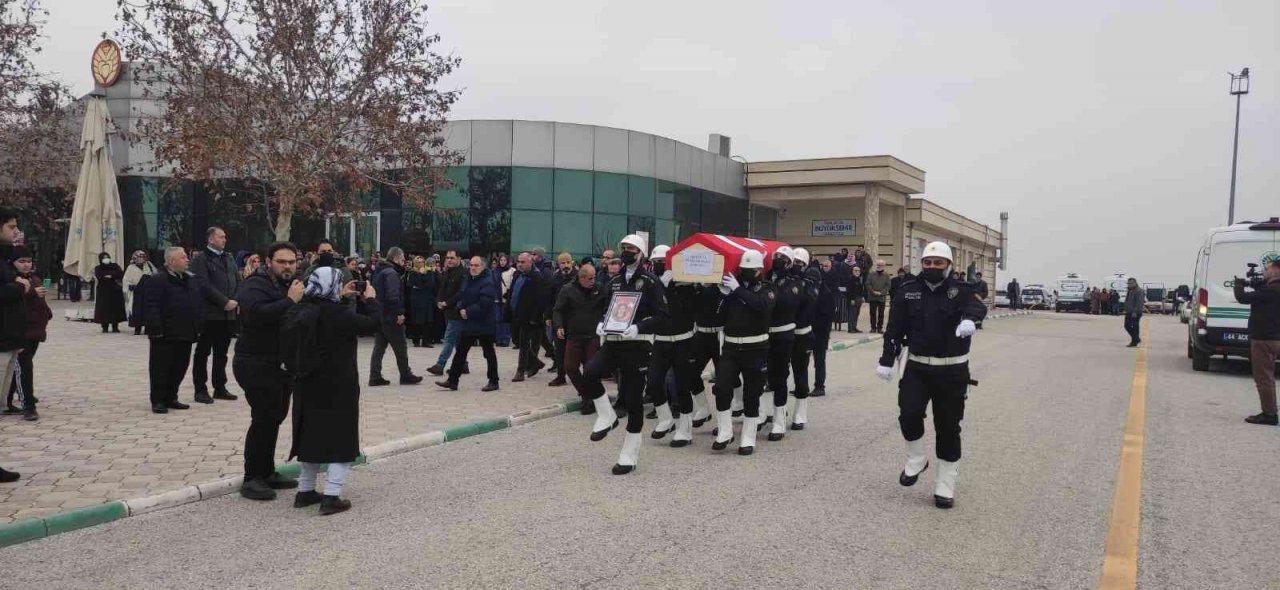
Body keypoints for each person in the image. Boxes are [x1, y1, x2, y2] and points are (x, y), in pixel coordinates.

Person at [876, 241, 986, 509]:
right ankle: (916, 459)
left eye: (938, 263)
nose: (932, 267)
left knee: (948, 427)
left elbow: (977, 307)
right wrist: (886, 360)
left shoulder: (962, 291)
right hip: (917, 367)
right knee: (909, 413)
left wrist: (971, 320)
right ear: (922, 264)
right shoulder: (908, 290)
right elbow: (894, 328)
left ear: (949, 265)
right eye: (928, 262)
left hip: (952, 370)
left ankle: (945, 484)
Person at [289, 267, 380, 515]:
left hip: (306, 383)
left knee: (311, 434)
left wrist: (341, 295)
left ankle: (305, 491)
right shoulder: (340, 314)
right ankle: (331, 495)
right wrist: (369, 299)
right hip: (338, 385)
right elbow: (374, 324)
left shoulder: (302, 309)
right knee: (342, 437)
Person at [581, 234, 668, 475]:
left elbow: (662, 316)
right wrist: (601, 323)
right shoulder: (614, 281)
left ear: (640, 253)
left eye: (631, 248)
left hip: (637, 346)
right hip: (613, 343)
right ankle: (607, 416)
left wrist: (639, 327)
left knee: (632, 400)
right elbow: (607, 309)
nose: (626, 251)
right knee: (589, 373)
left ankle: (629, 454)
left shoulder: (650, 282)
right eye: (624, 248)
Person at [234, 242, 305, 500]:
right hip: (254, 362)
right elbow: (256, 315)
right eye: (282, 262)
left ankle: (267, 471)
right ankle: (251, 477)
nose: (288, 266)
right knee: (263, 417)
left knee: (275, 417)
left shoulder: (290, 286)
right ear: (268, 262)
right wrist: (289, 301)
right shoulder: (255, 285)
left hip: (280, 364)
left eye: (291, 262)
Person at [710, 249, 775, 455]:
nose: (745, 272)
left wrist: (737, 290)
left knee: (751, 393)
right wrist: (721, 295)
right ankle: (725, 431)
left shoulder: (767, 288)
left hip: (755, 347)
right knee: (721, 388)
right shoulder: (732, 288)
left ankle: (748, 436)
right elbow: (716, 316)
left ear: (758, 270)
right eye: (742, 269)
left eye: (749, 269)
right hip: (730, 347)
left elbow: (762, 307)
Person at [643, 245, 699, 446]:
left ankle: (685, 430)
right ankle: (665, 419)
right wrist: (659, 286)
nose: (659, 266)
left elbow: (690, 309)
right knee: (654, 383)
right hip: (661, 341)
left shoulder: (685, 285)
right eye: (656, 262)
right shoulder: (652, 285)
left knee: (682, 387)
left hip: (683, 341)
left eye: (662, 263)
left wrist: (673, 286)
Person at [146, 247, 205, 414]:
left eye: (186, 257)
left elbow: (197, 303)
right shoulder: (158, 280)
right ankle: (158, 400)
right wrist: (155, 329)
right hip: (164, 334)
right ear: (171, 262)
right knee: (161, 368)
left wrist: (198, 326)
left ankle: (172, 396)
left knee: (180, 366)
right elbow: (151, 306)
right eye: (183, 257)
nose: (187, 260)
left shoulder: (190, 280)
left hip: (185, 331)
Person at [190, 227, 241, 403]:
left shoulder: (229, 258)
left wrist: (235, 299)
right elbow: (203, 285)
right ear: (211, 239)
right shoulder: (201, 260)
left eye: (225, 237)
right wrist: (224, 301)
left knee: (222, 353)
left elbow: (237, 280)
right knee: (203, 353)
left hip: (227, 315)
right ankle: (200, 389)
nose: (224, 239)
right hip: (209, 314)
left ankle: (220, 387)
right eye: (221, 237)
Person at [435, 256, 501, 392]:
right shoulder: (467, 279)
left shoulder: (487, 281)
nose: (473, 268)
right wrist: (459, 308)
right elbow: (461, 296)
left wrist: (468, 311)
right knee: (461, 352)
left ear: (483, 266)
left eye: (476, 265)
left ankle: (494, 381)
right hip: (469, 323)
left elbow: (486, 302)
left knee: (488, 353)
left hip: (484, 324)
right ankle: (452, 380)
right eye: (471, 265)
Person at [4, 247, 51, 421]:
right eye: (21, 261)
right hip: (20, 330)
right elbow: (9, 299)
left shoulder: (35, 278)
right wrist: (31, 293)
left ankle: (7, 400)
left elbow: (40, 303)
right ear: (13, 263)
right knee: (23, 368)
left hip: (36, 330)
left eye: (28, 261)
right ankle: (28, 405)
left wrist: (47, 313)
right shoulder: (11, 281)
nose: (26, 265)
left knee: (20, 367)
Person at [0, 207, 29, 482]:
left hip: (8, 340)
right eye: (11, 226)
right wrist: (19, 286)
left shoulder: (6, 259)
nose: (15, 231)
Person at [554, 264, 606, 414]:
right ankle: (586, 394)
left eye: (594, 277)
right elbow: (558, 310)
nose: (593, 281)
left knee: (591, 369)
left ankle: (590, 400)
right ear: (581, 278)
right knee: (570, 366)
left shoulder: (599, 288)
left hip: (593, 335)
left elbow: (607, 306)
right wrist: (559, 326)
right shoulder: (567, 289)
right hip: (574, 335)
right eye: (590, 278)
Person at [1233, 259, 1280, 425]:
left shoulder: (1271, 290)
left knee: (1264, 378)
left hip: (1264, 339)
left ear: (1276, 270)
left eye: (1267, 269)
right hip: (1273, 337)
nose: (1264, 272)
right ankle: (1270, 411)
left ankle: (1269, 414)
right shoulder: (1272, 289)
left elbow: (1243, 297)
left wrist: (1238, 284)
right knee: (1268, 377)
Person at [779, 247, 819, 438]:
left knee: (800, 373)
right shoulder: (786, 281)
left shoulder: (808, 285)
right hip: (784, 333)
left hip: (802, 335)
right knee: (779, 373)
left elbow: (808, 308)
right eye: (793, 262)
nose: (795, 266)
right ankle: (778, 409)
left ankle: (800, 414)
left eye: (799, 264)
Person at [368, 247, 423, 386]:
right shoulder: (391, 273)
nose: (404, 262)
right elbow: (393, 296)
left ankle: (374, 376)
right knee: (400, 346)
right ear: (396, 258)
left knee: (379, 347)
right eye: (403, 259)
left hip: (380, 314)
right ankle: (405, 374)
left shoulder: (379, 271)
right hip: (390, 316)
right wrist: (399, 313)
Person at [510, 252, 551, 382]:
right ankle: (537, 362)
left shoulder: (537, 277)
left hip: (530, 316)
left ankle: (520, 370)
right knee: (519, 340)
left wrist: (535, 316)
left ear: (530, 262)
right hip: (517, 313)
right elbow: (513, 293)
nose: (520, 264)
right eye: (519, 262)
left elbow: (541, 299)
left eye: (523, 262)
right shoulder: (518, 275)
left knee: (524, 343)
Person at [426, 250, 465, 376]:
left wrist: (447, 303)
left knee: (449, 339)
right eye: (447, 258)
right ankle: (463, 365)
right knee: (457, 340)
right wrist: (438, 301)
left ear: (458, 258)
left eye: (452, 258)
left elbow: (461, 293)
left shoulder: (463, 274)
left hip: (456, 311)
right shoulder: (447, 272)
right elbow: (441, 289)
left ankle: (440, 364)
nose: (449, 260)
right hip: (447, 311)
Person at [546, 252, 576, 386]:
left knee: (575, 348)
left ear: (572, 263)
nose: (566, 265)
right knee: (559, 348)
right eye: (563, 263)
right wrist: (547, 315)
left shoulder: (578, 277)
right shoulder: (555, 278)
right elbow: (549, 298)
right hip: (559, 318)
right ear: (558, 264)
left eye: (568, 262)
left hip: (575, 318)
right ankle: (561, 375)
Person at [811, 259, 839, 397]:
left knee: (819, 360)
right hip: (809, 331)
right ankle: (802, 384)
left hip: (820, 333)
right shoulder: (811, 292)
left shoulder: (826, 294)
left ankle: (819, 386)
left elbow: (828, 316)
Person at [123, 250, 157, 332]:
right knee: (137, 310)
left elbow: (155, 274)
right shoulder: (130, 267)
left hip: (147, 291)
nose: (141, 259)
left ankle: (147, 328)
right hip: (137, 292)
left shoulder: (149, 265)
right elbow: (126, 280)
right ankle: (137, 328)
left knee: (147, 310)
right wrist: (130, 286)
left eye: (142, 257)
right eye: (139, 257)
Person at [93, 252, 127, 333]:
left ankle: (115, 326)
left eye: (107, 257)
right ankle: (105, 327)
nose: (106, 259)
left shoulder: (115, 265)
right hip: (103, 292)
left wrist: (111, 276)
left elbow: (120, 274)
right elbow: (100, 276)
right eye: (104, 258)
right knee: (104, 309)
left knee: (115, 309)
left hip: (115, 291)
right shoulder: (98, 268)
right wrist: (111, 275)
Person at [407, 256, 437, 348]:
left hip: (427, 300)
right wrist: (420, 275)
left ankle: (426, 341)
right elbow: (414, 284)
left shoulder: (428, 272)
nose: (421, 264)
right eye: (418, 262)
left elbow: (431, 284)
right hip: (416, 300)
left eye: (422, 262)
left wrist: (421, 284)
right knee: (416, 321)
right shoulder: (412, 272)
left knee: (427, 321)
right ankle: (416, 341)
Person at [865, 259, 891, 333]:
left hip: (881, 297)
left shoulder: (886, 275)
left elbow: (888, 285)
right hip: (872, 297)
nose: (879, 266)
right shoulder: (871, 274)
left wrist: (881, 292)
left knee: (881, 314)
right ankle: (873, 328)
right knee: (872, 313)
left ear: (883, 266)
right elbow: (867, 284)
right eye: (878, 265)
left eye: (881, 265)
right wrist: (873, 291)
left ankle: (880, 328)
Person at [1122, 279, 1145, 347]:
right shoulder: (1130, 290)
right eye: (1128, 283)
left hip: (1136, 312)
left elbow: (1139, 302)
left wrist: (1135, 312)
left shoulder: (1139, 291)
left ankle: (1134, 341)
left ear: (1135, 283)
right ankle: (1136, 339)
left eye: (1131, 283)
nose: (1129, 285)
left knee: (1135, 327)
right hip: (1129, 311)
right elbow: (1128, 300)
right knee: (1127, 326)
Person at [847, 264, 865, 333]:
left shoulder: (860, 279)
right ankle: (850, 328)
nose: (857, 272)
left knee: (857, 313)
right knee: (852, 314)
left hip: (859, 298)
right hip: (853, 299)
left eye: (858, 271)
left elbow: (861, 289)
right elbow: (849, 290)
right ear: (852, 271)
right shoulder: (850, 279)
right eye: (856, 270)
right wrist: (851, 299)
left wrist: (863, 296)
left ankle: (854, 327)